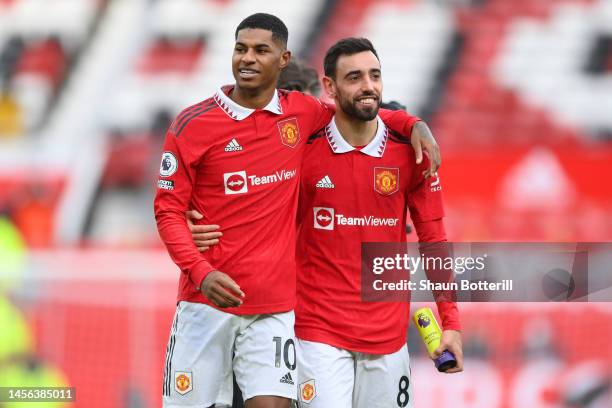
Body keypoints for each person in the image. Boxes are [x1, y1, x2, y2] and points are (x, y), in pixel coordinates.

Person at [154, 13, 441, 408]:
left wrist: (413, 123)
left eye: (260, 50)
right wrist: (200, 271)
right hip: (207, 304)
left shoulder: (301, 114)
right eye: (240, 49)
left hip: (274, 311)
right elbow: (166, 209)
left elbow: (360, 111)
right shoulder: (192, 124)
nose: (247, 58)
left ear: (283, 58)